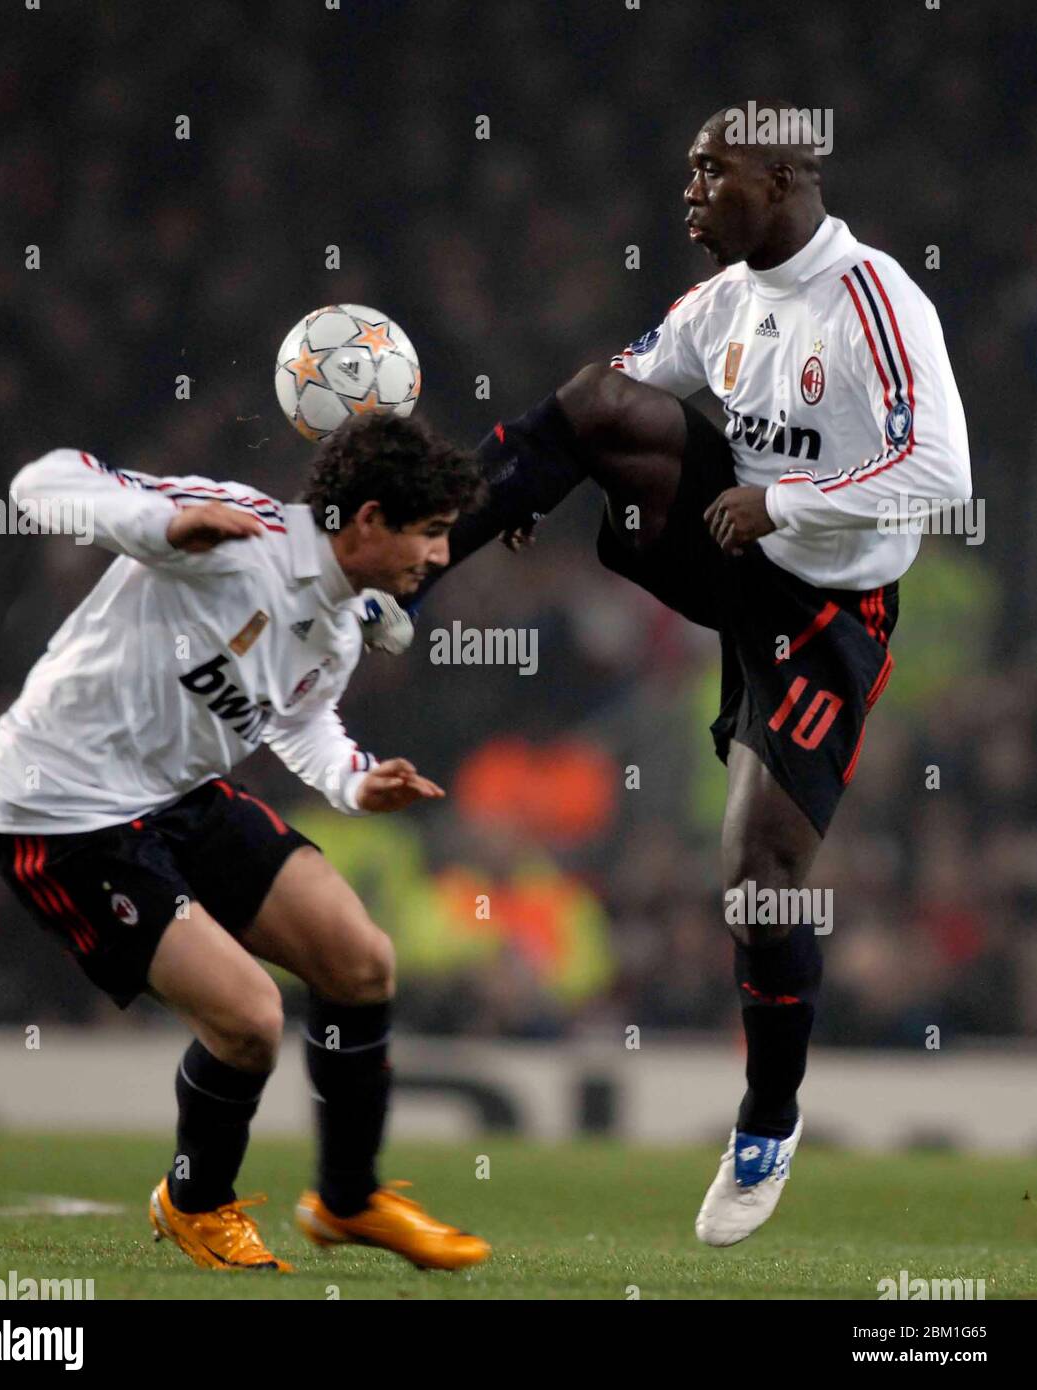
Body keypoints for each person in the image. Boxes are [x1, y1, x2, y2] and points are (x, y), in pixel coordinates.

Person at [414, 102, 971, 1245]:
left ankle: (768, 1119)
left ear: (780, 177)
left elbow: (943, 472)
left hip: (822, 607)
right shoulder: (716, 304)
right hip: (728, 544)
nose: (687, 194)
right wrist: (535, 482)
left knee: (758, 879)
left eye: (709, 172)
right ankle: (404, 573)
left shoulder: (873, 299)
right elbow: (613, 396)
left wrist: (789, 499)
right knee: (590, 405)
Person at [0, 411, 490, 1272]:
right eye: (430, 533)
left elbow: (301, 719)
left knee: (359, 959)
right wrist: (160, 525)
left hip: (177, 795)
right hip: (63, 812)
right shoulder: (233, 528)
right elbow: (41, 482)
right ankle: (195, 1202)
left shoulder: (337, 621)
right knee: (250, 1020)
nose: (438, 558)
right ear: (367, 519)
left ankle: (348, 1200)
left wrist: (354, 780)